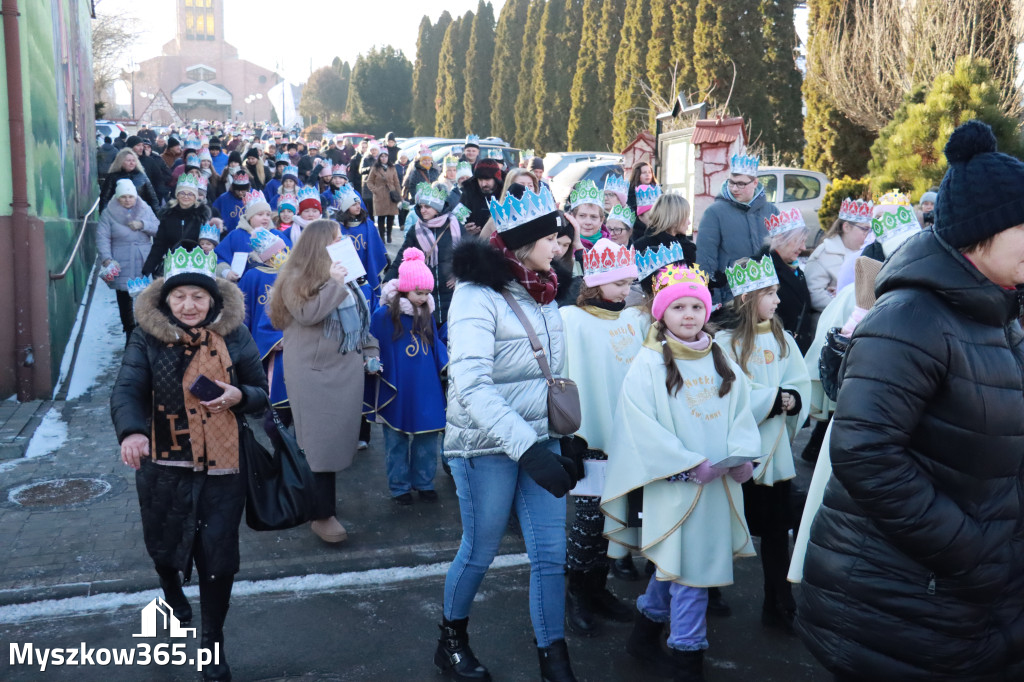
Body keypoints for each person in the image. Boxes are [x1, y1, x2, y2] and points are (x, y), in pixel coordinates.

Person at [797, 120, 1024, 679]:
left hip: (966, 598)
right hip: (899, 601)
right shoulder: (912, 318)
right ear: (982, 232)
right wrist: (969, 547)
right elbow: (865, 452)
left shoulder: (998, 313)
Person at [438, 185, 579, 682]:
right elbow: (471, 385)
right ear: (523, 242)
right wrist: (530, 449)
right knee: (480, 549)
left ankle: (554, 658)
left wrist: (564, 436)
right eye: (552, 238)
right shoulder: (475, 296)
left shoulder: (545, 290)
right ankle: (451, 640)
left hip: (540, 439)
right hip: (483, 446)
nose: (560, 246)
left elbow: (549, 372)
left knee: (551, 554)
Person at [111, 243, 268, 682]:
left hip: (223, 467)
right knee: (165, 546)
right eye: (180, 296)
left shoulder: (235, 335)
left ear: (212, 300)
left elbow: (261, 391)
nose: (189, 305)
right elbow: (127, 389)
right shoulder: (146, 337)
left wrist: (240, 396)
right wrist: (133, 431)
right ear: (167, 300)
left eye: (198, 296)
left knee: (218, 558)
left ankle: (212, 643)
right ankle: (170, 586)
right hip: (165, 465)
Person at [601, 263, 759, 682]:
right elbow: (638, 426)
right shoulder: (648, 363)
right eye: (678, 307)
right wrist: (687, 466)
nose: (689, 315)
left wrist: (743, 457)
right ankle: (687, 660)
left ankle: (643, 636)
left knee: (680, 564)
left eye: (696, 306)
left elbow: (740, 410)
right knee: (693, 574)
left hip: (717, 486)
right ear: (661, 313)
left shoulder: (720, 355)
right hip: (676, 489)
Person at [267, 219, 380, 545]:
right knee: (318, 445)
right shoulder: (295, 277)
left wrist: (370, 350)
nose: (343, 242)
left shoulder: (342, 276)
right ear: (318, 245)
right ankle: (320, 513)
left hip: (343, 373)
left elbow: (359, 320)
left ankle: (312, 501)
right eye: (336, 239)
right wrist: (334, 283)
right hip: (314, 376)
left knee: (331, 443)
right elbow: (308, 314)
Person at [715, 256, 810, 635]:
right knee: (722, 527)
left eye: (776, 292)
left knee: (775, 531)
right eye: (769, 293)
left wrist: (793, 398)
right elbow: (728, 392)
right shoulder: (724, 342)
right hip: (738, 455)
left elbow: (799, 381)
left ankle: (779, 602)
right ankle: (709, 590)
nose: (778, 300)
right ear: (746, 298)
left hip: (775, 453)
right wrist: (773, 399)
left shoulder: (782, 339)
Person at [559, 238, 646, 637]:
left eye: (629, 283)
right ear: (594, 283)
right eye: (619, 283)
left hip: (626, 437)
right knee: (589, 518)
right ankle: (577, 592)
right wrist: (567, 432)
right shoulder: (570, 320)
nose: (627, 290)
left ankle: (598, 588)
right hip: (588, 437)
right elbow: (562, 373)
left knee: (615, 517)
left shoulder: (632, 320)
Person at [368, 248, 448, 505]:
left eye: (427, 293)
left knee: (428, 436)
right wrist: (371, 362)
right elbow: (371, 344)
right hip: (398, 386)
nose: (423, 298)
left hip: (426, 386)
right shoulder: (383, 315)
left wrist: (447, 364)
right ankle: (399, 487)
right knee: (396, 439)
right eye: (419, 292)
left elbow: (434, 346)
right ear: (404, 289)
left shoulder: (425, 312)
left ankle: (424, 482)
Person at [695, 153, 779, 307]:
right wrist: (713, 300)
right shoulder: (714, 213)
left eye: (741, 184)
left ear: (755, 183)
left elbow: (779, 255)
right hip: (731, 297)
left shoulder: (771, 211)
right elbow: (705, 260)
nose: (734, 188)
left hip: (764, 296)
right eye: (731, 182)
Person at [238, 228, 292, 445]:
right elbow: (244, 309)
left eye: (282, 251)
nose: (280, 255)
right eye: (275, 253)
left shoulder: (290, 273)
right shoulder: (252, 276)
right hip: (265, 336)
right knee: (267, 376)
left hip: (289, 334)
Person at [387, 183, 462, 328]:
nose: (422, 210)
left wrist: (459, 274)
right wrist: (389, 278)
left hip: (450, 291)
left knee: (449, 331)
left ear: (437, 208)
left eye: (427, 207)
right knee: (428, 330)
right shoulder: (416, 230)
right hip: (425, 292)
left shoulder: (454, 226)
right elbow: (402, 256)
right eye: (421, 207)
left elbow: (468, 256)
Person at [97, 179, 159, 343]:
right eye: (123, 197)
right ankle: (129, 331)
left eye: (130, 196)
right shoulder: (108, 213)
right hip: (120, 260)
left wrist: (143, 224)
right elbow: (102, 237)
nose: (127, 200)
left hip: (142, 259)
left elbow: (158, 228)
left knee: (145, 296)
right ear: (118, 197)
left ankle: (144, 331)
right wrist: (107, 258)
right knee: (124, 297)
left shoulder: (145, 208)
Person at [757, 208, 815, 353]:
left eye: (804, 241)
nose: (803, 247)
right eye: (799, 241)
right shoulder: (760, 269)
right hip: (775, 349)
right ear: (781, 239)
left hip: (796, 348)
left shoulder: (794, 268)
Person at [143, 174, 214, 276]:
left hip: (196, 266)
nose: (186, 196)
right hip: (173, 266)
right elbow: (159, 245)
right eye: (182, 193)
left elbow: (207, 243)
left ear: (195, 197)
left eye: (190, 194)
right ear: (177, 195)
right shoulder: (168, 216)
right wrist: (148, 269)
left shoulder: (201, 217)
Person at [805, 207, 872, 311]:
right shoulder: (824, 254)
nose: (868, 234)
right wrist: (844, 304)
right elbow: (814, 294)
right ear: (846, 227)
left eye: (870, 230)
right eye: (864, 229)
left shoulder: (866, 251)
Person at [336, 185, 389, 312]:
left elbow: (377, 244)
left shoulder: (368, 224)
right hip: (348, 269)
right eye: (353, 204)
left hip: (367, 265)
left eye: (358, 203)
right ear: (346, 207)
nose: (358, 206)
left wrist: (385, 257)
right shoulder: (338, 227)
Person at [632, 193, 698, 264]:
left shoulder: (687, 248)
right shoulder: (640, 247)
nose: (689, 222)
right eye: (686, 217)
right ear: (675, 219)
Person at [365, 147, 401, 243]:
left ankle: (389, 235)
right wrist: (375, 190)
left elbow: (396, 182)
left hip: (391, 194)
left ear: (388, 157)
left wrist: (399, 194)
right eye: (382, 156)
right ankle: (382, 237)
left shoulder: (392, 167)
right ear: (379, 157)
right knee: (381, 216)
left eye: (385, 156)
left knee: (391, 216)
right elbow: (369, 181)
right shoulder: (375, 168)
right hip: (380, 195)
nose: (384, 158)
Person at [459, 158, 503, 236]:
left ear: (496, 178)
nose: (483, 184)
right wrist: (465, 229)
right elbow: (457, 221)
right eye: (480, 180)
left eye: (487, 179)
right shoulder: (468, 191)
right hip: (476, 240)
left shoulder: (505, 191)